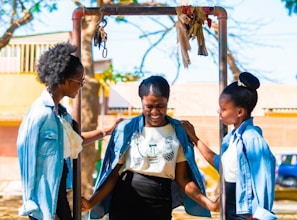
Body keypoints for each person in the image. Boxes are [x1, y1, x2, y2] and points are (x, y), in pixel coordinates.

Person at [81, 75, 220, 220]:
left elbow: (183, 179)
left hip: (160, 203)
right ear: (141, 102)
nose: (155, 112)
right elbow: (113, 175)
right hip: (125, 201)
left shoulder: (178, 132)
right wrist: (91, 203)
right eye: (149, 106)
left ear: (167, 101)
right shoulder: (127, 129)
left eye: (160, 106)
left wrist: (209, 203)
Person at [16, 42, 122, 220]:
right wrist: (41, 209)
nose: (81, 85)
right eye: (79, 81)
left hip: (59, 194)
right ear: (63, 80)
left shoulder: (61, 114)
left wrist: (107, 131)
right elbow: (27, 161)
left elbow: (75, 141)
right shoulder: (40, 114)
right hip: (45, 204)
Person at [182, 72, 277, 220]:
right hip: (230, 209)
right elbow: (218, 163)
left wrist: (260, 215)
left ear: (239, 111)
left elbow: (264, 178)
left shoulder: (252, 138)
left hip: (246, 214)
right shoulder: (231, 139)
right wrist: (194, 138)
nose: (219, 111)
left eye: (223, 108)